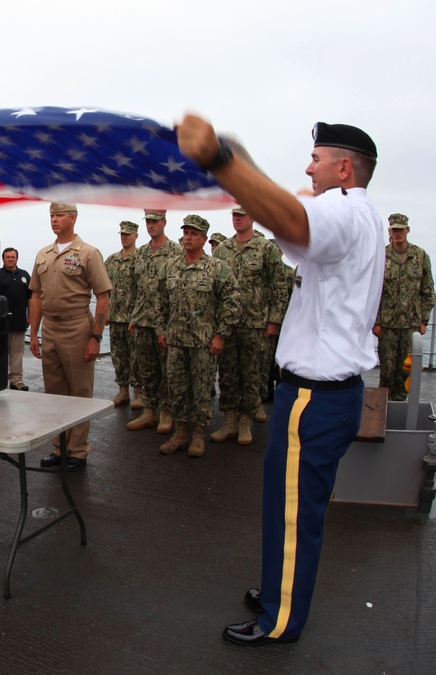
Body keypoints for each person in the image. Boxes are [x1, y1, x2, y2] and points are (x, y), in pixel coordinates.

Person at [178, 117, 385, 646]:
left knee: (295, 515)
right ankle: (278, 588)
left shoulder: (342, 211)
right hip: (317, 395)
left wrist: (222, 163)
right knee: (284, 505)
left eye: (315, 159)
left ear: (344, 168)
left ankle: (280, 620)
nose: (307, 166)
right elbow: (290, 209)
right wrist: (242, 163)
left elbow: (292, 221)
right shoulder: (355, 212)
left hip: (315, 398)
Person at [28, 202, 112, 471]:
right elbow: (36, 296)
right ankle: (59, 447)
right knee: (54, 393)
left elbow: (103, 296)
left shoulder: (88, 253)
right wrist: (34, 333)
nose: (54, 219)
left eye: (60, 215)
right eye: (51, 215)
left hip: (77, 326)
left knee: (79, 392)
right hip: (50, 329)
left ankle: (78, 451)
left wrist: (96, 337)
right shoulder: (43, 254)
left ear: (73, 218)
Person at [157, 215, 240, 457]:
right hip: (176, 341)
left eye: (194, 234)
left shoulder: (217, 268)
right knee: (177, 388)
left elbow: (232, 303)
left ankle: (198, 435)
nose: (188, 237)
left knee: (202, 389)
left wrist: (221, 334)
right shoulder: (170, 266)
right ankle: (180, 433)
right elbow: (160, 302)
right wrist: (161, 330)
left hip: (203, 343)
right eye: (186, 233)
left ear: (204, 239)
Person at [210, 207, 288, 443]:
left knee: (252, 375)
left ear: (252, 218)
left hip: (255, 323)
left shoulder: (266, 249)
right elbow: (214, 288)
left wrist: (274, 320)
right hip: (227, 325)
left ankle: (246, 423)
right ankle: (230, 421)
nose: (237, 219)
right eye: (234, 216)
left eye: (242, 215)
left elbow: (279, 286)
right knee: (227, 375)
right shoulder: (222, 250)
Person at [127, 209, 183, 432]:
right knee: (146, 369)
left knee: (168, 370)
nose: (151, 226)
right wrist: (133, 316)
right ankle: (149, 411)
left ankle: (167, 413)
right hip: (142, 321)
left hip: (166, 323)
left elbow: (179, 291)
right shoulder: (140, 254)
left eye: (155, 222)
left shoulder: (176, 252)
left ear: (164, 223)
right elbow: (134, 289)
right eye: (148, 222)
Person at [373, 213, 434, 401]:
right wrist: (375, 322)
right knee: (387, 373)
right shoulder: (381, 256)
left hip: (411, 326)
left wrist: (424, 320)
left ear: (407, 230)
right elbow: (373, 292)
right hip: (388, 326)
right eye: (394, 230)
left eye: (401, 229)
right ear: (390, 231)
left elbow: (427, 290)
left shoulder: (420, 256)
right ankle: (383, 414)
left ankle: (400, 410)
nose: (398, 233)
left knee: (405, 373)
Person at [104, 221, 142, 407]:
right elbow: (103, 289)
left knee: (137, 357)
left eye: (128, 234)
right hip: (116, 317)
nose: (124, 237)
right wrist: (104, 314)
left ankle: (139, 393)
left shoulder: (141, 258)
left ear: (136, 235)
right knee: (118, 356)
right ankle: (123, 391)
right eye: (122, 234)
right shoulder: (111, 261)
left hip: (135, 318)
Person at [0, 247, 32, 391]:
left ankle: (16, 380)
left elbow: (30, 299)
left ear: (17, 258)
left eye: (13, 257)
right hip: (0, 323)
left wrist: (29, 316)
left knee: (17, 353)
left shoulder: (25, 275)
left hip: (19, 321)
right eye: (7, 257)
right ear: (3, 259)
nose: (10, 259)